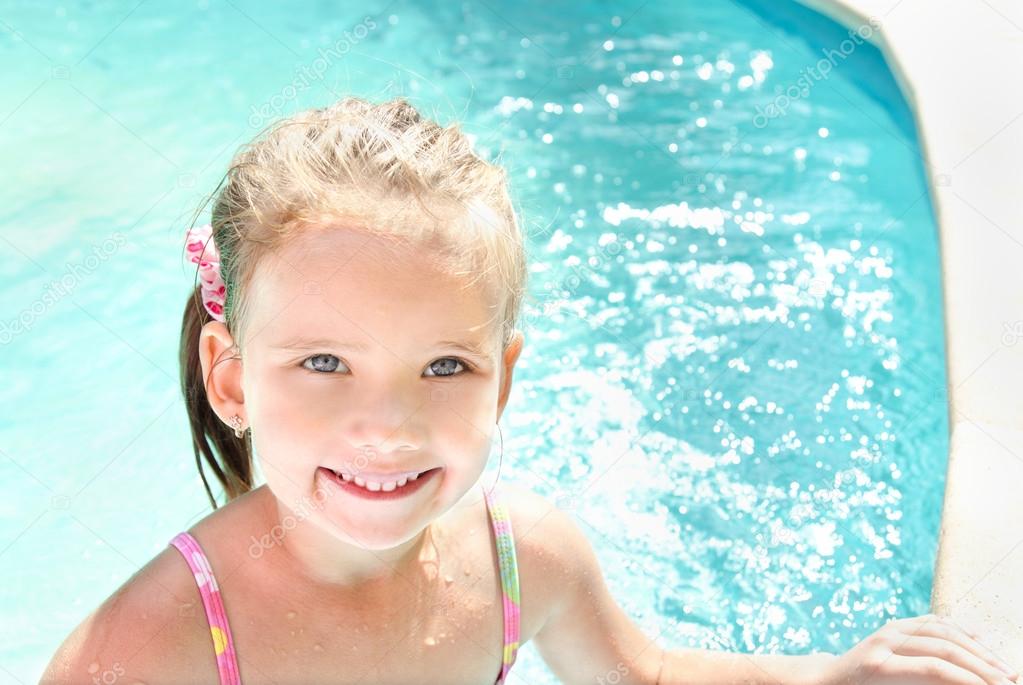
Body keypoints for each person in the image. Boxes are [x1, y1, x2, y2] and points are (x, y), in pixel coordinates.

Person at [41, 96, 1020, 685]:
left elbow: (645, 672)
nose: (387, 427)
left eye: (444, 366)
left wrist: (831, 673)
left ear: (504, 380)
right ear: (232, 377)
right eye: (325, 363)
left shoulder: (523, 560)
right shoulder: (148, 649)